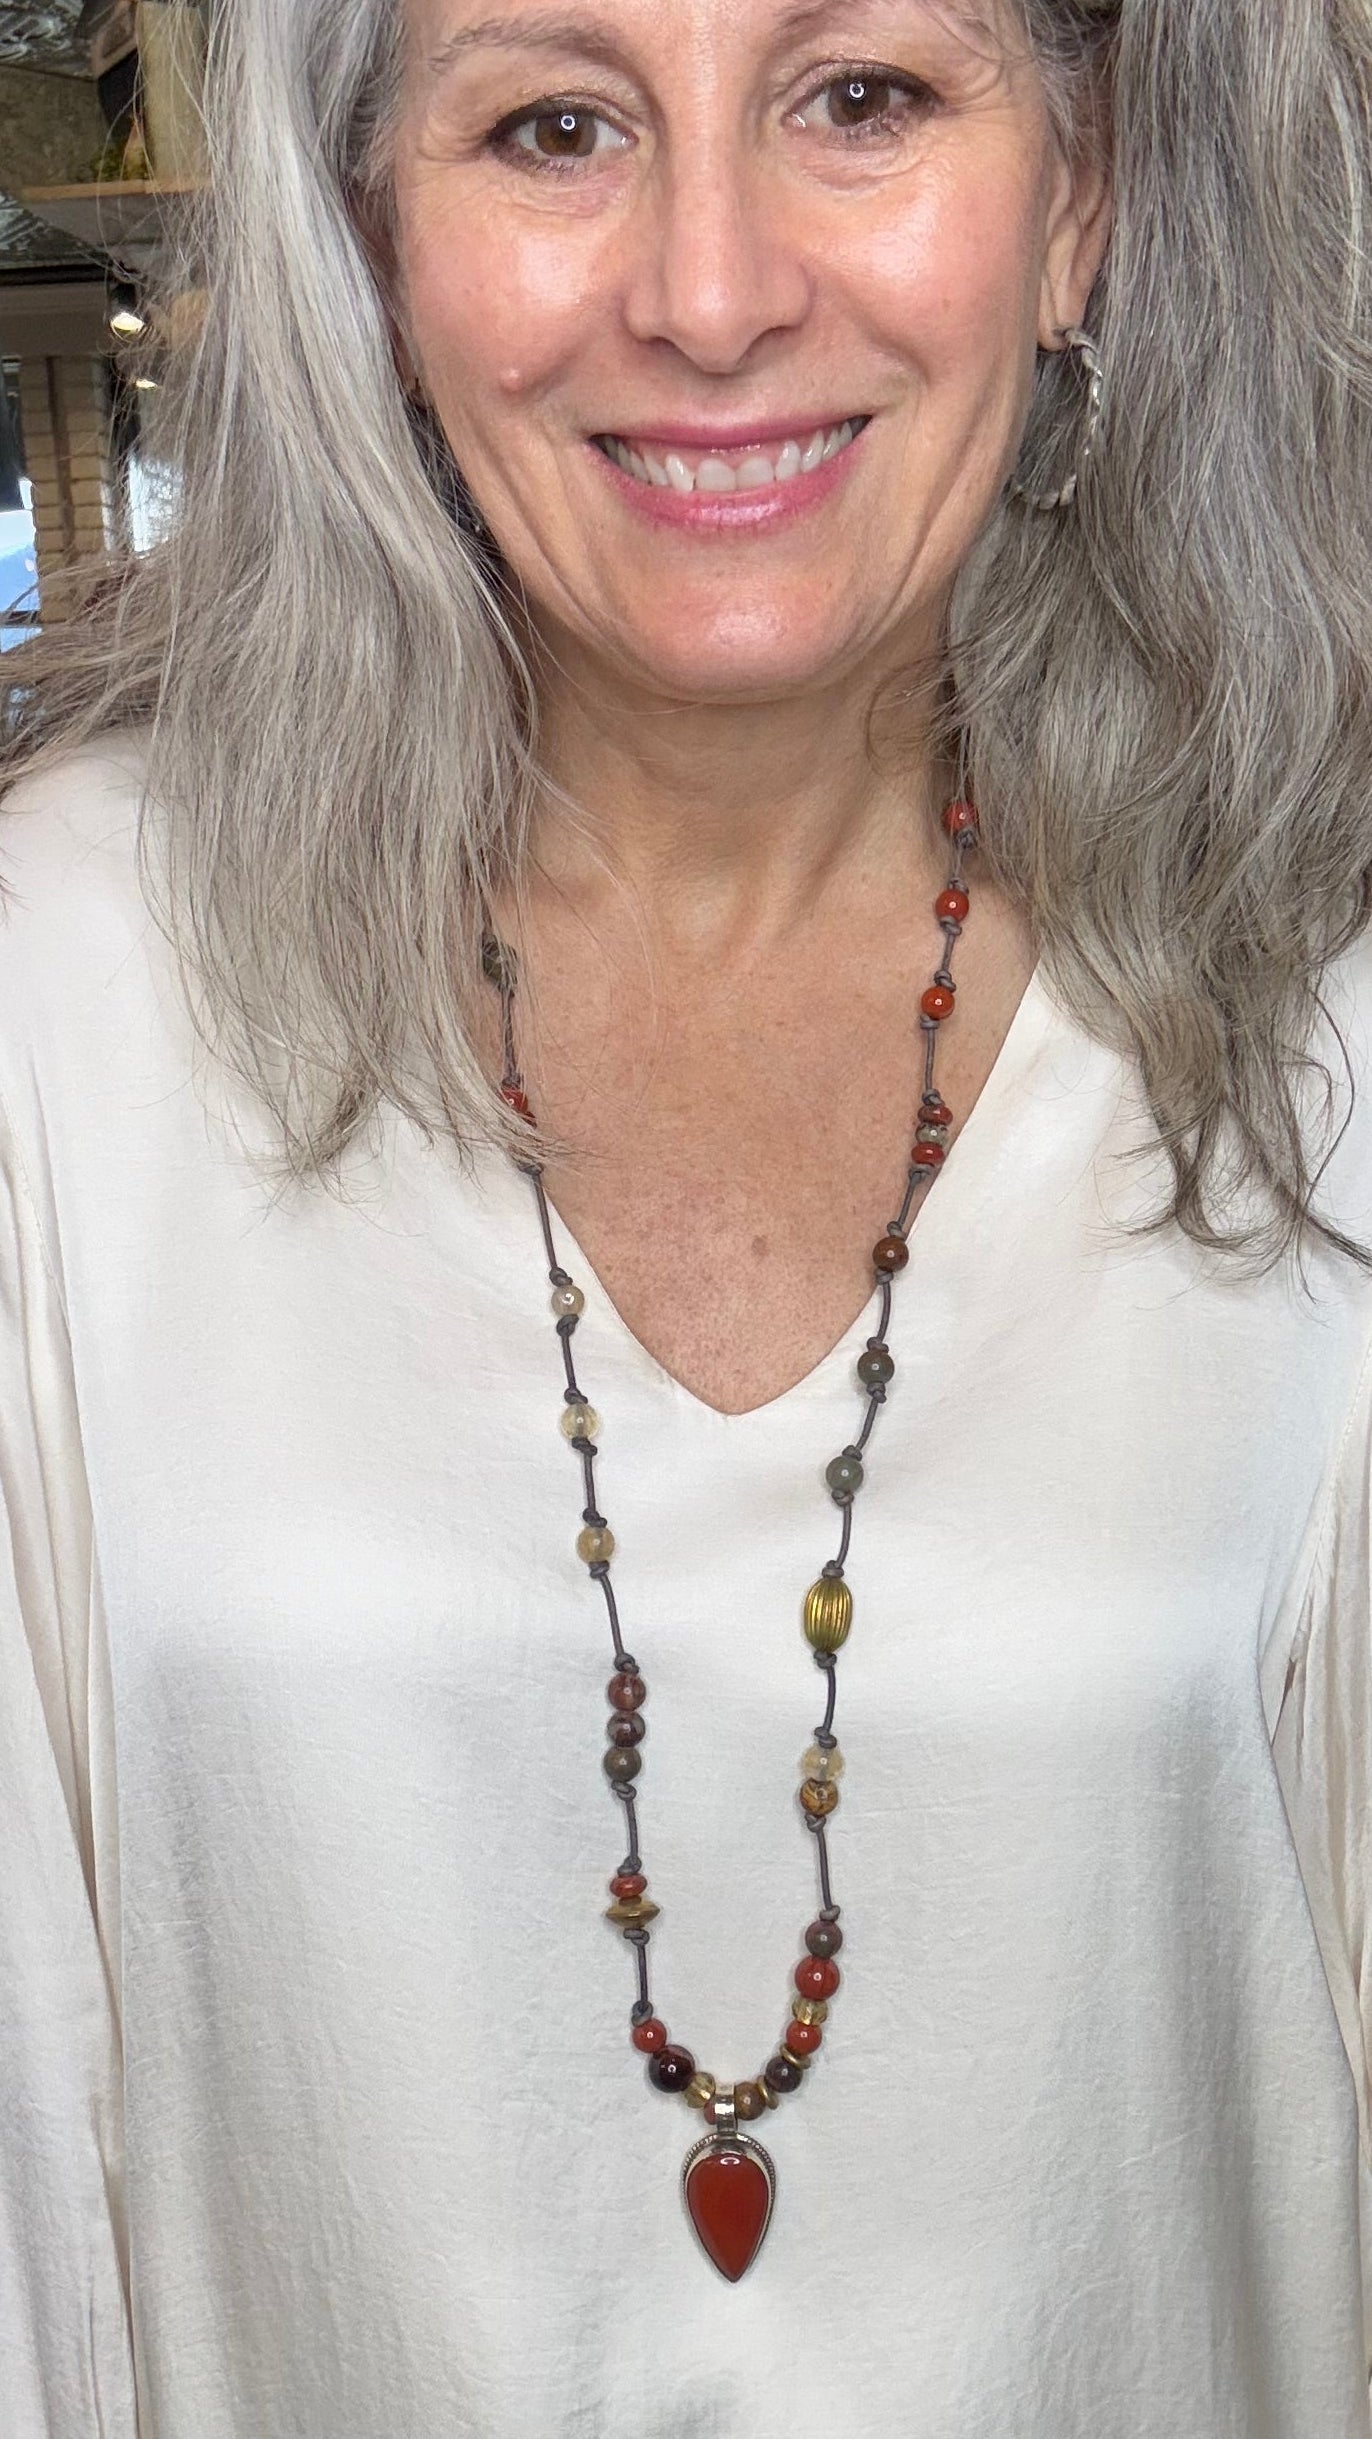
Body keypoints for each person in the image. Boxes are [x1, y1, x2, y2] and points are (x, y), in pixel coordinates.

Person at [4, 0, 1372, 2430]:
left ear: (1077, 204)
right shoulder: (54, 1015)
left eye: (862, 97)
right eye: (553, 125)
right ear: (369, 241)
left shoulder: (1319, 1028)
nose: (712, 291)